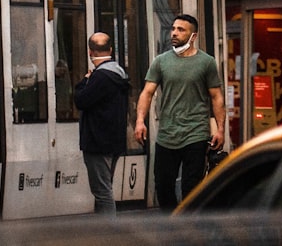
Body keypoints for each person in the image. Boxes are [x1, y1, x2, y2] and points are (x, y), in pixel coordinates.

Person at [135, 14, 225, 209]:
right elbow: (147, 93)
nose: (174, 33)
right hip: (167, 134)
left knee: (191, 188)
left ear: (193, 36)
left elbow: (216, 97)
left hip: (196, 133)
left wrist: (220, 129)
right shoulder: (161, 61)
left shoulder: (206, 62)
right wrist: (140, 121)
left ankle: (188, 229)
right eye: (173, 29)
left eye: (181, 30)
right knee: (163, 186)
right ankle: (172, 225)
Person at [73, 32, 130, 216]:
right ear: (110, 50)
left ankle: (110, 235)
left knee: (102, 192)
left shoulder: (100, 77)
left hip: (98, 142)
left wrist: (84, 82)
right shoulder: (119, 74)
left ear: (90, 52)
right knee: (104, 188)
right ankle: (101, 231)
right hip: (114, 141)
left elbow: (81, 100)